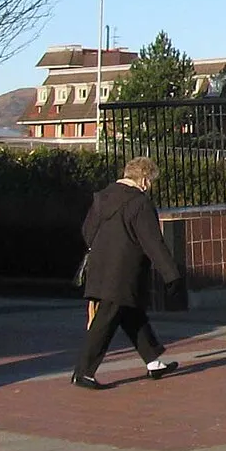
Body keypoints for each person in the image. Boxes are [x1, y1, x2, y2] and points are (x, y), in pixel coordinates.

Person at [73, 156, 184, 389]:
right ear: (143, 180)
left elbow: (87, 230)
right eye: (151, 181)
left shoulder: (103, 197)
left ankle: (153, 361)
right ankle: (83, 372)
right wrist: (171, 275)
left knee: (131, 314)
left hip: (100, 266)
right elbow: (152, 242)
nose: (150, 186)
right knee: (106, 319)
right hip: (125, 270)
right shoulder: (139, 203)